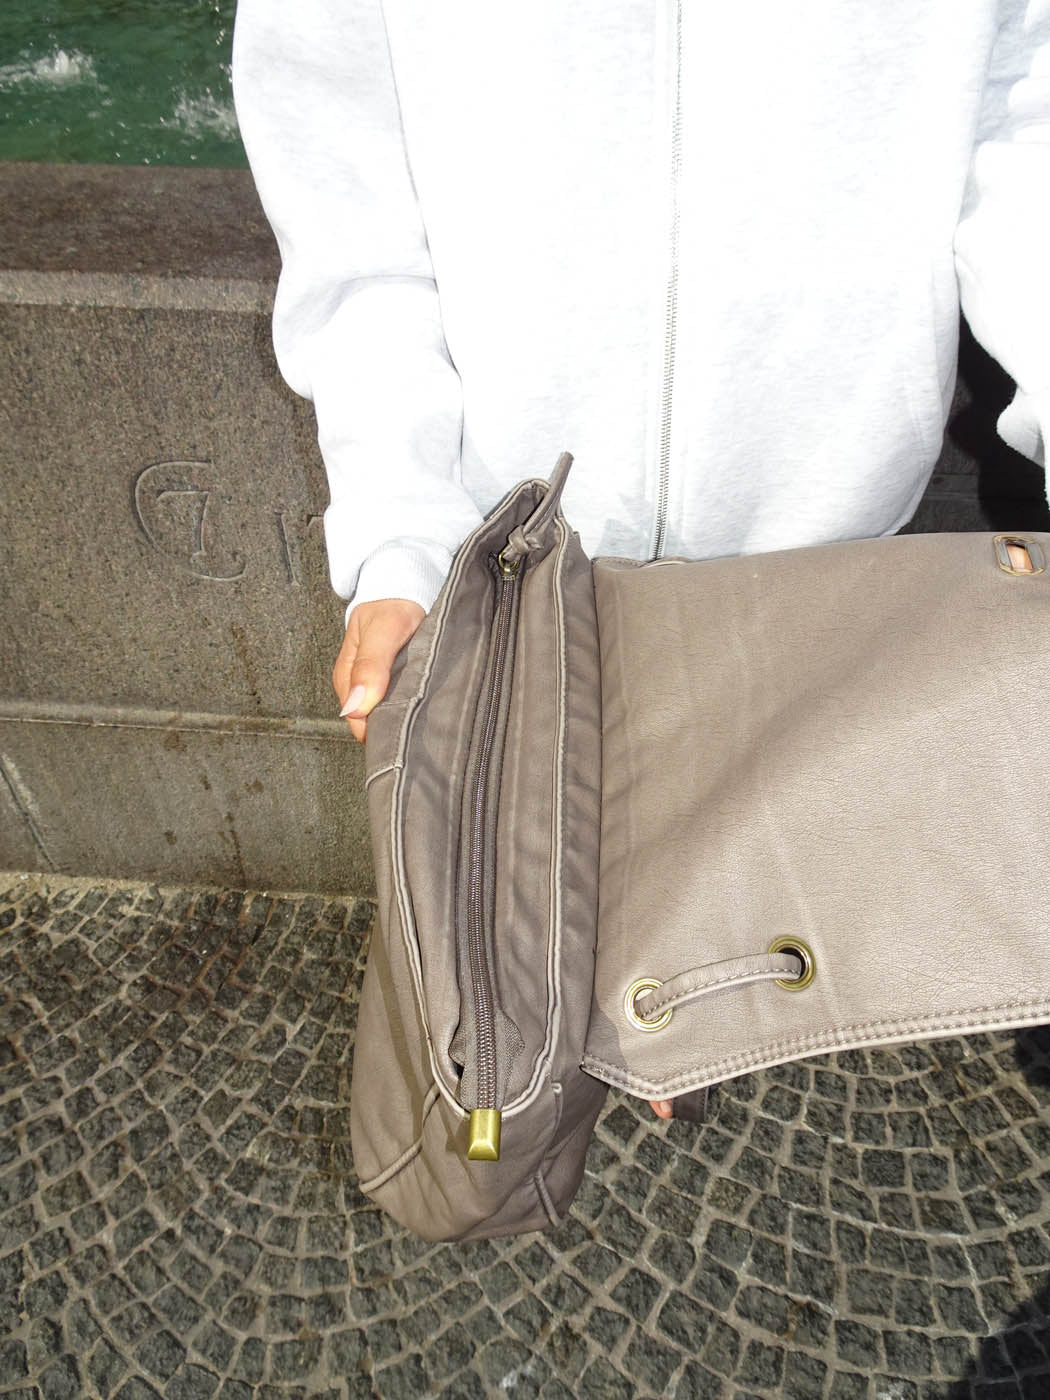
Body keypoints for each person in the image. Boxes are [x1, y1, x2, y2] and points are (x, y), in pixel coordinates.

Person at [231, 0, 1050, 1119]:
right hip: (522, 552)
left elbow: (1026, 118)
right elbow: (351, 207)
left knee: (739, 942)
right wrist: (401, 529)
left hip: (824, 546)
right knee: (537, 1003)